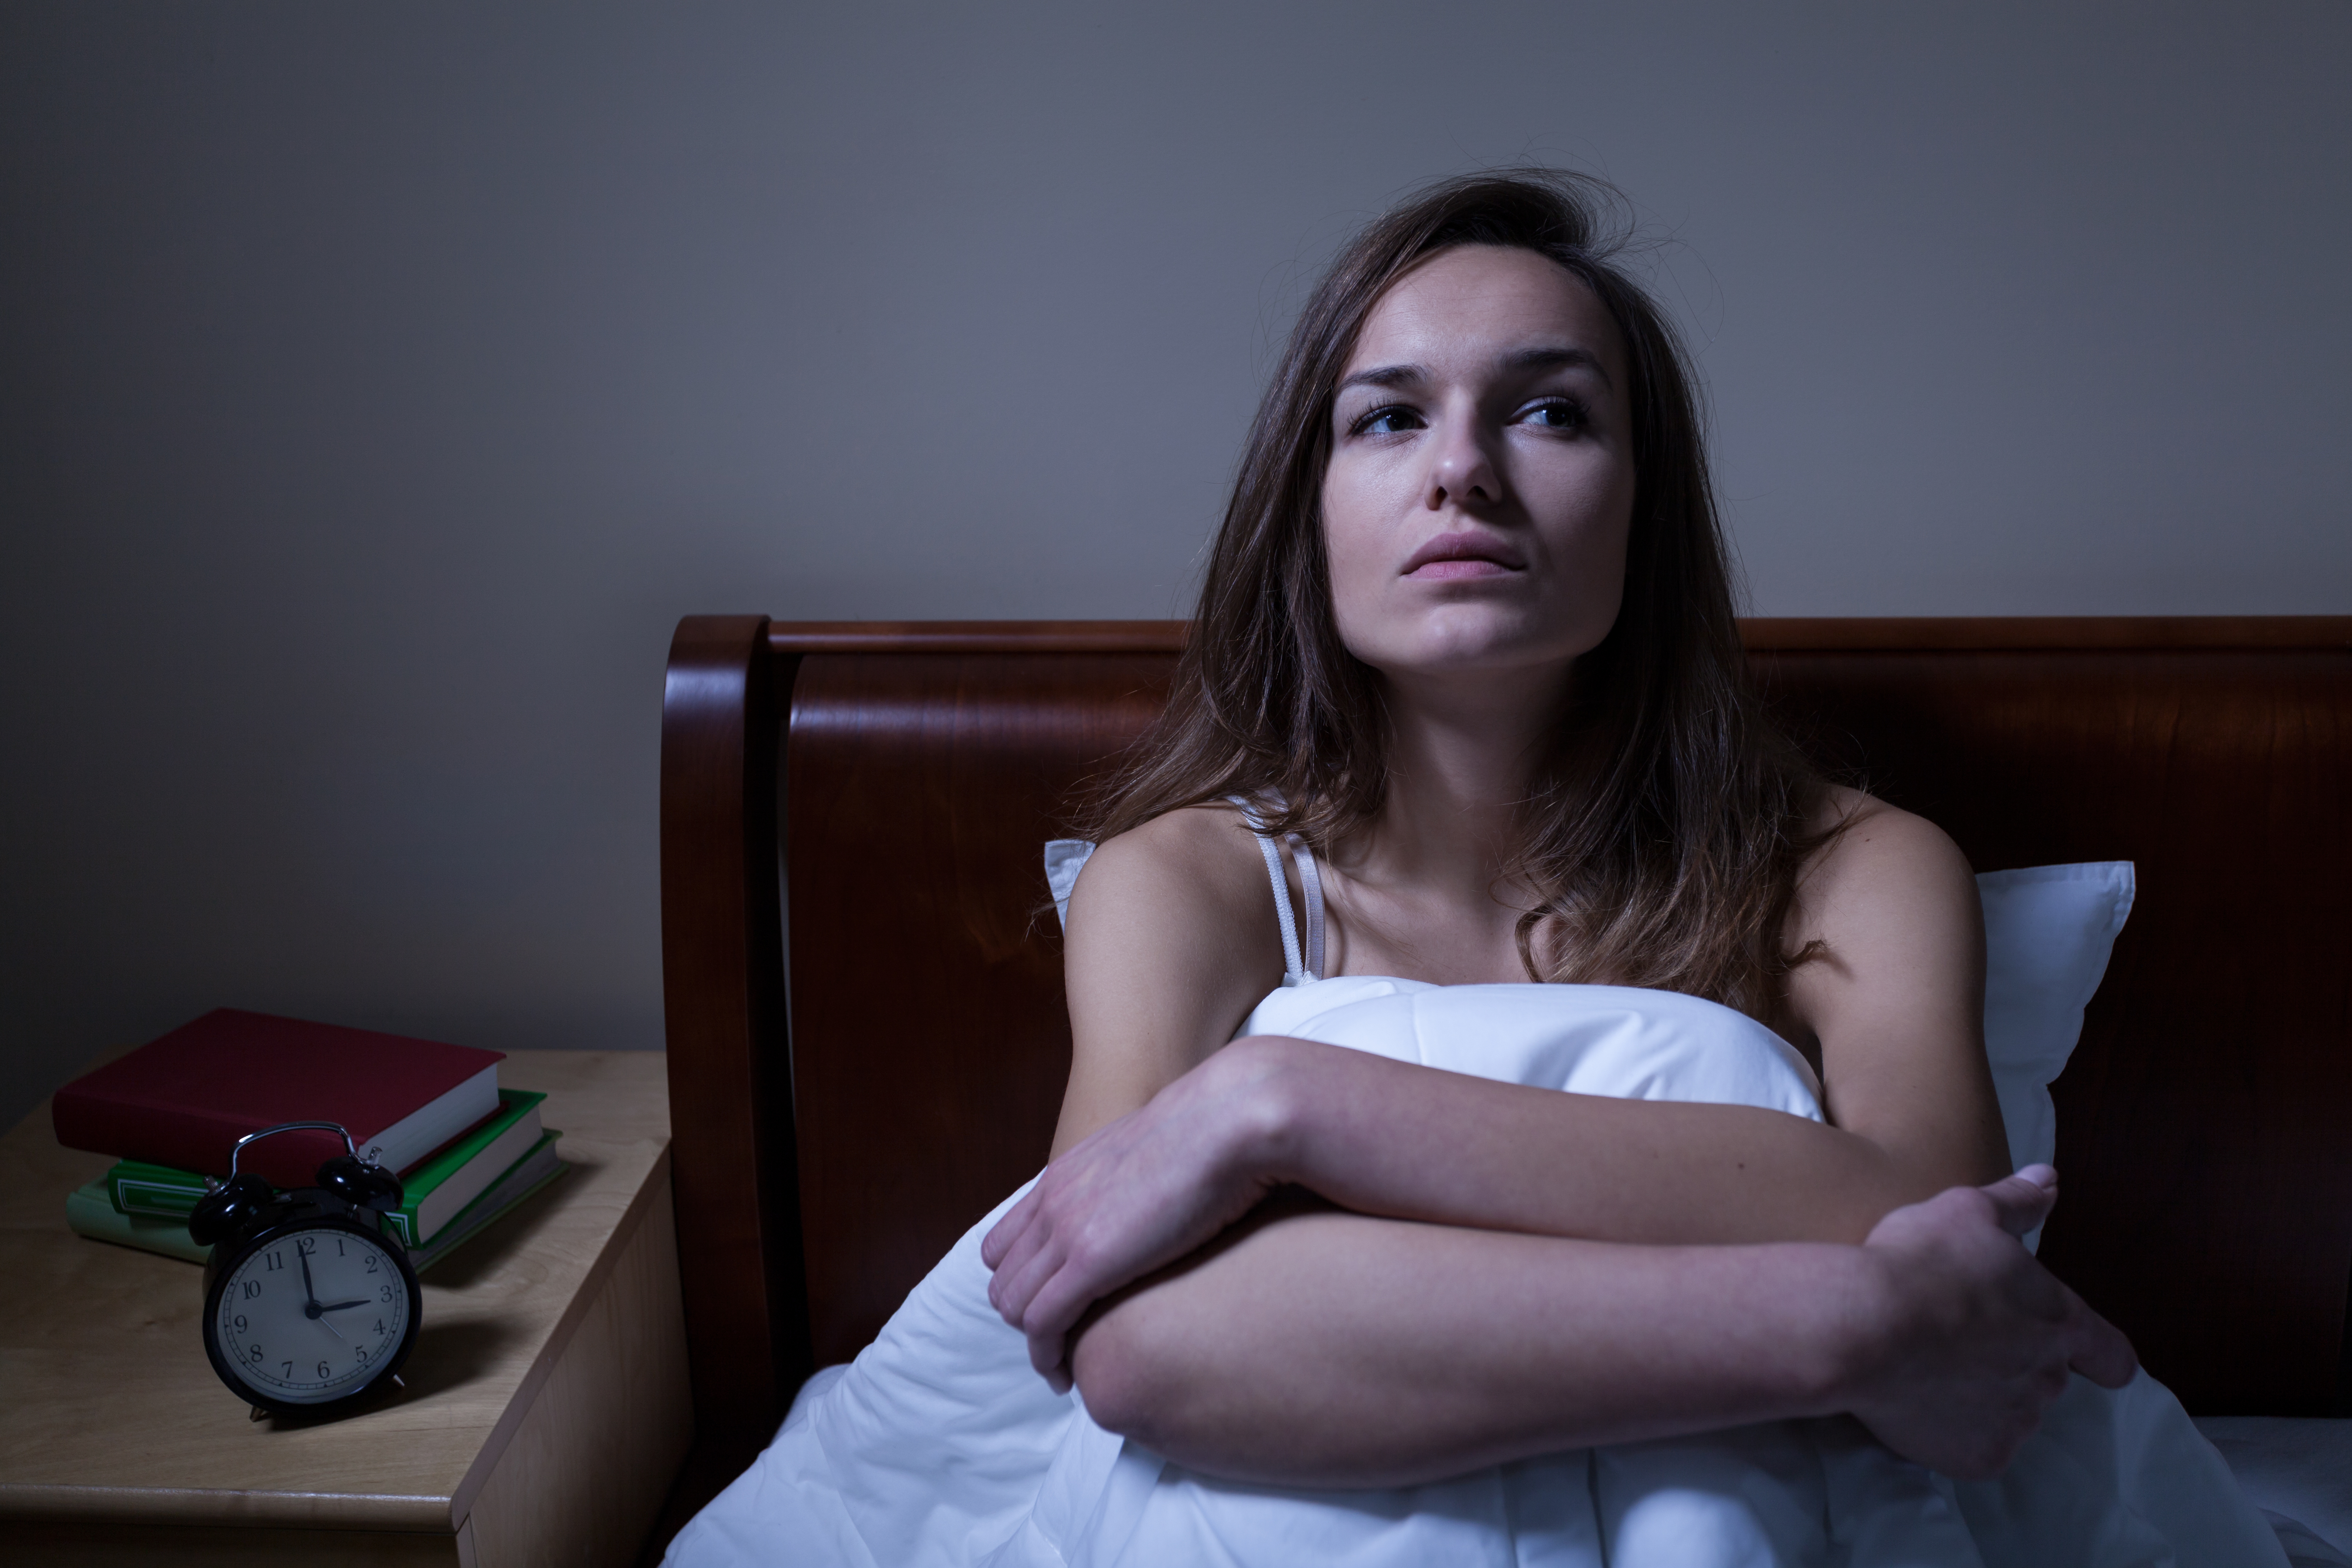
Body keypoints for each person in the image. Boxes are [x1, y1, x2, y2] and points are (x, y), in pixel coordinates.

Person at [666, 171, 2286, 1567]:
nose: (1464, 470)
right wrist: (1835, 1325)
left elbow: (1940, 1226)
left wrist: (1288, 1111)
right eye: (1389, 416)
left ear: (1645, 509)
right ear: (1310, 513)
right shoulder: (1191, 887)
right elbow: (1139, 1348)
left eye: (1552, 409)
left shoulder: (1853, 872)